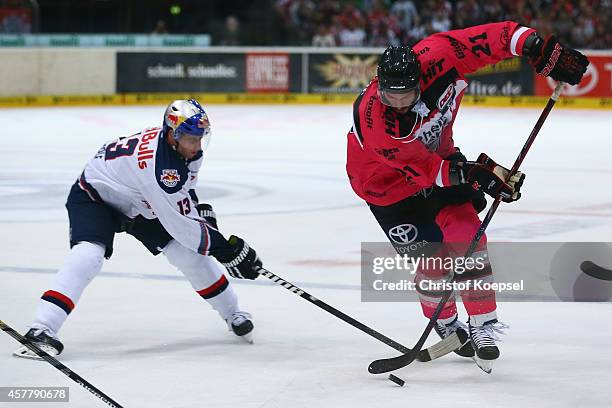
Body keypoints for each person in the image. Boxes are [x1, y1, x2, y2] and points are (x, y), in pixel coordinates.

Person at [346, 22, 588, 369]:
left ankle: (483, 324)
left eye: (406, 95)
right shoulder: (377, 124)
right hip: (386, 186)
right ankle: (445, 323)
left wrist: (534, 45)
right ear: (379, 86)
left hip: (439, 155)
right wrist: (477, 177)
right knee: (433, 263)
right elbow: (426, 172)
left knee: (468, 237)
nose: (398, 104)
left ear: (419, 81)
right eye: (390, 96)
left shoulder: (438, 54)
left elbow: (496, 39)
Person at [15, 99, 264, 359]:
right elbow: (182, 227)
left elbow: (184, 192)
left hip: (138, 199)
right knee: (89, 255)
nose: (197, 145)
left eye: (200, 138)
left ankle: (233, 312)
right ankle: (41, 329)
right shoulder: (159, 170)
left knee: (189, 256)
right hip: (96, 196)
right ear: (172, 135)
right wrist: (226, 249)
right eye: (191, 139)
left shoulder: (185, 151)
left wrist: (200, 215)